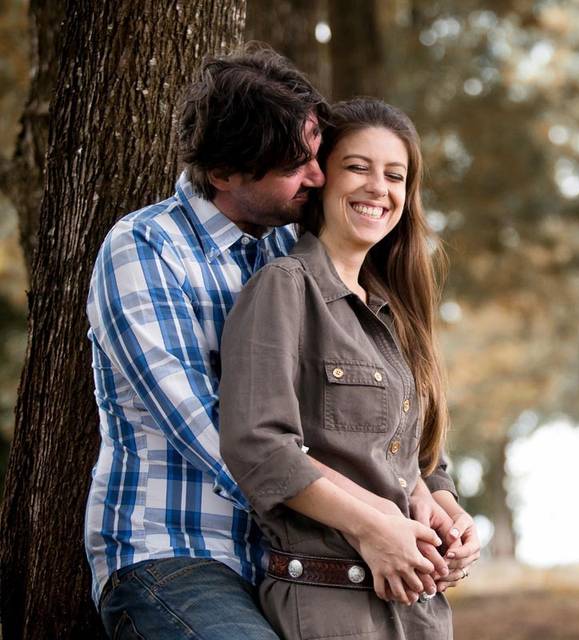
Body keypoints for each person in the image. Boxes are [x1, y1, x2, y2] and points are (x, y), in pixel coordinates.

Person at [84, 45, 463, 640]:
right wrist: (378, 518)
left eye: (316, 156)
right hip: (178, 551)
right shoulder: (145, 250)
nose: (318, 176)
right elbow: (224, 439)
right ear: (225, 174)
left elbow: (367, 414)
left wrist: (428, 491)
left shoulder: (291, 248)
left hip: (286, 561)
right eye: (296, 165)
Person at [219, 98, 480, 640]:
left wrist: (450, 516)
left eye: (395, 176)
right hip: (327, 604)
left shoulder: (395, 312)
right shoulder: (284, 287)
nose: (377, 189)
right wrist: (378, 526)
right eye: (357, 167)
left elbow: (418, 458)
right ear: (321, 179)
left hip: (417, 609)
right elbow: (259, 448)